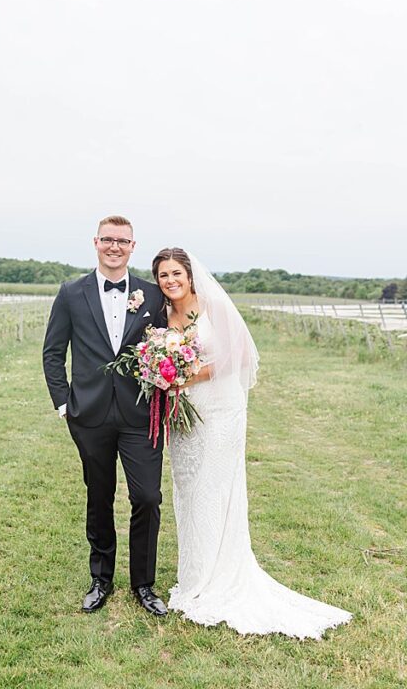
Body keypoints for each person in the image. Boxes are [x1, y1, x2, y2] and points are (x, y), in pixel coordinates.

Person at [152, 247, 351, 638]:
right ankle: (194, 576)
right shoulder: (162, 315)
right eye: (163, 275)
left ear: (190, 275)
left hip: (219, 411)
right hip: (184, 415)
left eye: (176, 273)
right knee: (188, 490)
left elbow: (239, 354)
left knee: (215, 491)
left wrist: (187, 378)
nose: (170, 281)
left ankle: (219, 577)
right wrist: (165, 373)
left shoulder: (214, 308)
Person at [41, 215, 170, 616]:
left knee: (147, 497)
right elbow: (52, 352)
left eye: (123, 241)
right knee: (99, 496)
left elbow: (168, 346)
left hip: (140, 414)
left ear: (134, 247)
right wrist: (65, 403)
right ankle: (101, 578)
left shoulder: (152, 296)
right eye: (108, 240)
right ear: (95, 243)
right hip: (89, 415)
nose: (115, 247)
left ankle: (144, 585)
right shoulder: (70, 293)